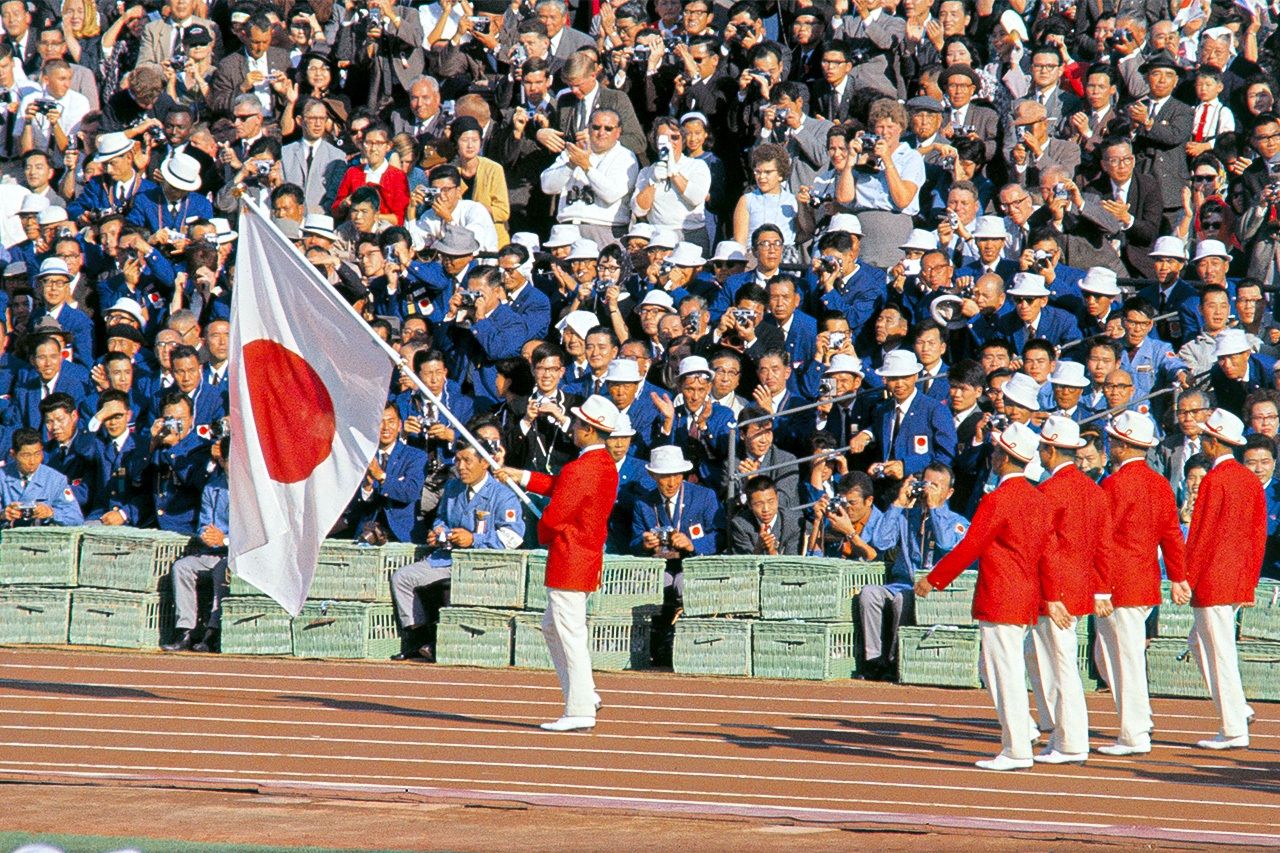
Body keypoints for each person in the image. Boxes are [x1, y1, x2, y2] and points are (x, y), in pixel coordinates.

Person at [916, 422, 1052, 771]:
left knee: (1002, 670)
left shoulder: (997, 499)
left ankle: (1017, 746)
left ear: (1005, 458)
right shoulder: (1037, 498)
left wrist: (934, 579)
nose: (992, 456)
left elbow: (970, 547)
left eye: (997, 451)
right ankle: (1023, 732)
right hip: (1025, 592)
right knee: (996, 667)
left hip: (1001, 593)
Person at [499, 395, 621, 731]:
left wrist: (542, 528)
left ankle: (580, 706)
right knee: (555, 629)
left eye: (579, 423)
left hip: (570, 557)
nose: (573, 428)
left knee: (569, 634)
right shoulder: (600, 464)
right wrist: (519, 476)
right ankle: (585, 693)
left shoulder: (581, 468)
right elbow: (558, 486)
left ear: (588, 430)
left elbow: (554, 515)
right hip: (581, 556)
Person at [1095, 411, 1189, 756]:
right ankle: (1139, 719)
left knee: (1121, 659)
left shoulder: (1113, 485)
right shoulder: (1159, 484)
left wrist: (1100, 586)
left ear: (1121, 445)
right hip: (1145, 579)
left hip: (1118, 583)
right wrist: (1177, 576)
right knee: (1118, 656)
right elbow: (1171, 535)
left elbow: (1102, 539)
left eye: (1113, 440)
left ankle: (1134, 732)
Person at [389, 441, 525, 662]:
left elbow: (513, 537)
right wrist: (439, 531)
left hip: (481, 566)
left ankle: (440, 642)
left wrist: (475, 539)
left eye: (467, 461)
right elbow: (442, 517)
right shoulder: (453, 488)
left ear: (484, 463)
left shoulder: (503, 495)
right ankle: (418, 638)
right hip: (446, 559)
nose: (461, 466)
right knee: (402, 578)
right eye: (458, 460)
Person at [1029, 416, 1111, 765]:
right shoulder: (1093, 489)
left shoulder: (1048, 492)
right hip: (1079, 585)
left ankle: (1071, 741)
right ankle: (1064, 736)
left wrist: (1049, 594)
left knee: (1060, 666)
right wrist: (1102, 589)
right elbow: (1104, 544)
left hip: (1055, 589)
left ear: (1050, 450)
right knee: (1059, 663)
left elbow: (1043, 548)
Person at [1184, 409, 1265, 749]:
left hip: (1214, 578)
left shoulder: (1215, 481)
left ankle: (1233, 726)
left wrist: (1186, 576)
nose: (1203, 443)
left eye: (1206, 438)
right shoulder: (1249, 480)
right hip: (1234, 576)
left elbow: (1201, 534)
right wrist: (1249, 580)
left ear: (1215, 442)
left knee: (1218, 651)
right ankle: (1237, 707)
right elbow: (1257, 535)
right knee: (1204, 644)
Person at [859, 464, 969, 680]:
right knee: (869, 593)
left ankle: (895, 659)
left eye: (935, 486)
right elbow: (881, 542)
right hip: (901, 583)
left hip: (935, 591)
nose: (928, 489)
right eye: (925, 483)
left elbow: (946, 544)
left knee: (903, 599)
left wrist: (935, 509)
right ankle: (874, 659)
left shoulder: (958, 522)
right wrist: (898, 504)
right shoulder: (907, 515)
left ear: (949, 493)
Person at [162, 433, 229, 653]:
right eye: (226, 460)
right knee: (182, 567)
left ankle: (213, 629)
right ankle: (186, 629)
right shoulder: (213, 487)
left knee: (221, 570)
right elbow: (203, 523)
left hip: (237, 554)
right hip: (211, 550)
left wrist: (226, 539)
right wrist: (206, 535)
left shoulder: (253, 489)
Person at [0, 428, 84, 527]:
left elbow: (76, 518)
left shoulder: (55, 479)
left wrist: (51, 512)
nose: (32, 461)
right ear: (13, 454)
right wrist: (3, 515)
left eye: (37, 454)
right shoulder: (2, 477)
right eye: (26, 455)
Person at [729, 474, 801, 555]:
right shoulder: (740, 525)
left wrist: (772, 551)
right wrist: (758, 548)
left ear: (777, 499)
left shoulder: (794, 522)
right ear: (749, 504)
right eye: (759, 504)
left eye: (771, 502)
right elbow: (743, 564)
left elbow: (793, 563)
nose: (766, 509)